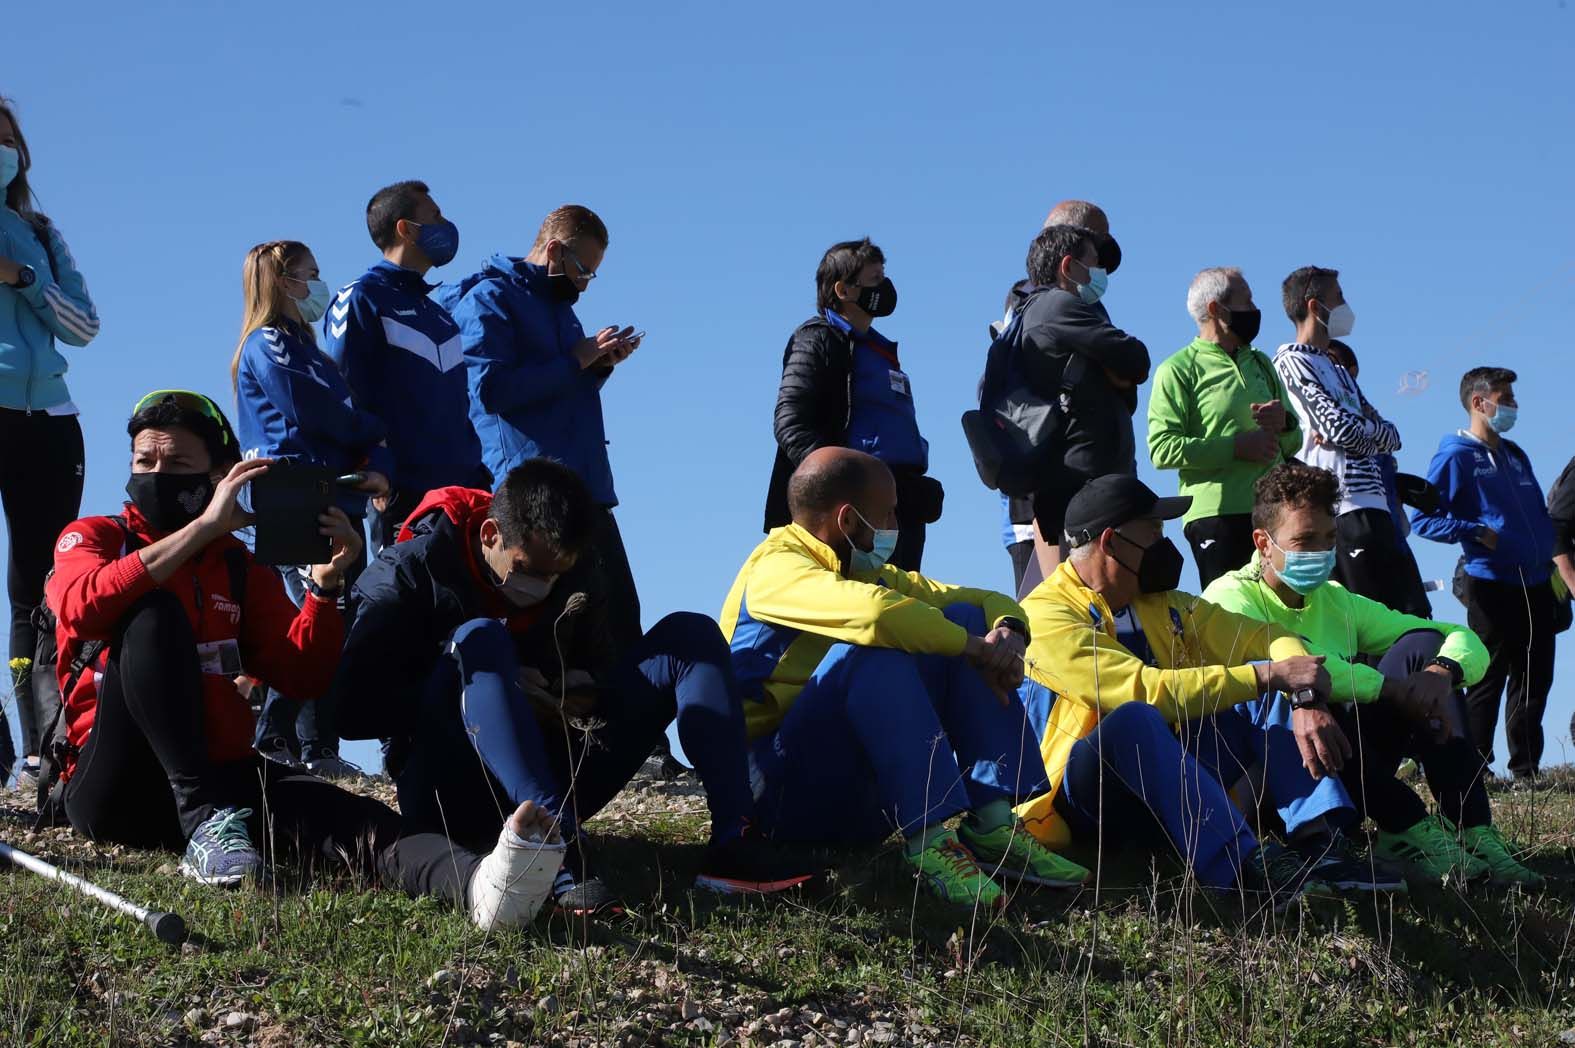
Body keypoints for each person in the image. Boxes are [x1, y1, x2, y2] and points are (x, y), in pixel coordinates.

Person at [46, 392, 565, 930]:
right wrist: (201, 528)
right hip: (116, 786)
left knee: (357, 821)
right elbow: (82, 605)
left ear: (223, 475)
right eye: (145, 462)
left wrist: (324, 590)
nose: (158, 474)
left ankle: (484, 887)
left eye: (178, 463)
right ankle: (201, 821)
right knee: (152, 612)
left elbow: (303, 674)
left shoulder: (238, 567)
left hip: (223, 777)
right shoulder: (98, 536)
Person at [333, 459, 816, 914]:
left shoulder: (574, 562)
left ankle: (735, 842)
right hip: (450, 785)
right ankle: (553, 857)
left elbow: (606, 666)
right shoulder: (403, 576)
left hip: (558, 753)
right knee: (480, 639)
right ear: (490, 533)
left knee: (689, 635)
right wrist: (476, 683)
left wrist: (566, 692)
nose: (542, 585)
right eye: (529, 570)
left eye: (555, 575)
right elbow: (351, 712)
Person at [722, 447, 1090, 910]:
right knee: (876, 652)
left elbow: (978, 599)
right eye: (889, 512)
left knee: (959, 617)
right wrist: (974, 647)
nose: (898, 522)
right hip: (773, 799)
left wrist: (1006, 633)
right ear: (849, 521)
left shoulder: (857, 565)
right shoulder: (776, 568)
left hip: (846, 791)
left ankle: (995, 824)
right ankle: (930, 844)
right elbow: (874, 616)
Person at [1014, 474, 1400, 906]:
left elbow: (1264, 635)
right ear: (1111, 542)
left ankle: (1321, 847)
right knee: (1137, 718)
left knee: (1267, 679)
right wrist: (1268, 675)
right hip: (1081, 798)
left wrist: (1303, 694)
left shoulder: (1161, 602)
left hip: (1167, 780)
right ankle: (1242, 869)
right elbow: (1142, 692)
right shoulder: (1043, 614)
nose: (1165, 543)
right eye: (1155, 533)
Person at [1202, 463, 1539, 886]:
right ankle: (1407, 826)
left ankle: (1472, 829)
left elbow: (1453, 634)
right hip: (1277, 779)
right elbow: (1304, 665)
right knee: (1309, 698)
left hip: (1346, 763)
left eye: (1328, 540)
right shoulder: (1228, 596)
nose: (1320, 554)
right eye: (1304, 541)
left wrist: (1442, 671)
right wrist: (1389, 689)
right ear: (1263, 544)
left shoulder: (1335, 598)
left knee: (1422, 647)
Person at [437, 205, 643, 654]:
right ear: (553, 250)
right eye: (583, 270)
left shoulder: (559, 310)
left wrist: (596, 367)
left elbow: (561, 388)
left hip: (586, 491)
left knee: (619, 629)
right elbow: (488, 391)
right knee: (563, 639)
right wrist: (576, 359)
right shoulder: (490, 299)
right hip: (535, 502)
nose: (584, 284)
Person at [232, 239, 391, 778]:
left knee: (337, 619)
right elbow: (315, 408)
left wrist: (371, 448)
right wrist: (369, 428)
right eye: (309, 274)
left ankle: (319, 746)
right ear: (281, 281)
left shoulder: (312, 350)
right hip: (291, 494)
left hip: (334, 493)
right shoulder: (266, 344)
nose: (318, 285)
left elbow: (343, 411)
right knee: (307, 613)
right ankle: (273, 737)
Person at [0, 97, 99, 788]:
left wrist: (24, 278)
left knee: (41, 588)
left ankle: (41, 752)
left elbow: (84, 326)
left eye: (8, 138)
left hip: (54, 421)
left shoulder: (40, 230)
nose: (2, 147)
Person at [1412, 368, 1558, 783]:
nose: (1512, 405)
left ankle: (1526, 768)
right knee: (1487, 676)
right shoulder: (1456, 454)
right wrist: (1476, 532)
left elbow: (1537, 515)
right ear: (1480, 403)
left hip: (1535, 581)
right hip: (1489, 580)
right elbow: (1423, 518)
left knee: (1535, 676)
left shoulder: (1514, 453)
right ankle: (1476, 766)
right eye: (1505, 397)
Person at [762, 238, 944, 571]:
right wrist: (838, 486)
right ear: (843, 290)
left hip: (899, 502)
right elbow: (790, 422)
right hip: (854, 509)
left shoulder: (879, 349)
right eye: (875, 281)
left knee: (904, 609)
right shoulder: (818, 339)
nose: (885, 289)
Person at [323, 180, 485, 553]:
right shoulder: (361, 297)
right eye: (435, 216)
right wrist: (376, 466)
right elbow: (345, 394)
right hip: (405, 499)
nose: (445, 225)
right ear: (405, 229)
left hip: (465, 497)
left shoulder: (440, 315)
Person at [1008, 224, 1149, 595]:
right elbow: (1136, 359)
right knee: (1090, 594)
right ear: (1068, 267)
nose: (1100, 274)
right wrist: (1117, 370)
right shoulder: (1058, 305)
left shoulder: (1034, 311)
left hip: (1074, 476)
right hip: (1083, 478)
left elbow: (1127, 384)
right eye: (1093, 263)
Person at [1272, 267, 1412, 614]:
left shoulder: (1336, 369)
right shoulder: (1291, 361)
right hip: (1342, 508)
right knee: (1361, 625)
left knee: (1399, 619)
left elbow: (1391, 434)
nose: (1346, 306)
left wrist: (1362, 432)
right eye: (1340, 298)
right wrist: (1364, 432)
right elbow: (1340, 429)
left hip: (1378, 507)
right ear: (1315, 306)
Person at [1148, 268, 1299, 587]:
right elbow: (1162, 449)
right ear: (1217, 309)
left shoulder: (1261, 363)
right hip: (1215, 517)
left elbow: (1293, 441)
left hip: (1274, 513)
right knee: (1234, 622)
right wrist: (1237, 447)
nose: (1256, 309)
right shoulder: (1176, 369)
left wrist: (1283, 423)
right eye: (1248, 300)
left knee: (1284, 616)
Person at [1323, 340, 1432, 617]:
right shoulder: (1315, 426)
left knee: (1416, 625)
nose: (1327, 372)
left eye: (1333, 363)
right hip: (1345, 534)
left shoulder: (1366, 414)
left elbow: (1392, 438)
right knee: (1365, 626)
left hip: (1392, 540)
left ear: (1352, 371)